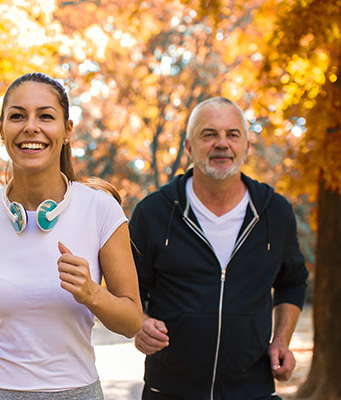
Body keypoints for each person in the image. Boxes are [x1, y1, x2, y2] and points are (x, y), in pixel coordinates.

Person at [0, 72, 143, 399]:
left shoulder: (100, 210)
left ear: (67, 130)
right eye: (17, 116)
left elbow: (131, 321)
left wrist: (91, 293)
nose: (31, 127)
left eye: (45, 116)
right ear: (1, 130)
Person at [128, 97, 310, 399]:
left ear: (247, 147)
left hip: (253, 390)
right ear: (189, 146)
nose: (222, 144)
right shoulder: (154, 212)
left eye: (232, 134)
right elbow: (129, 289)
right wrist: (140, 324)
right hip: (168, 390)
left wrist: (281, 340)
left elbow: (292, 282)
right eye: (209, 134)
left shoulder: (274, 213)